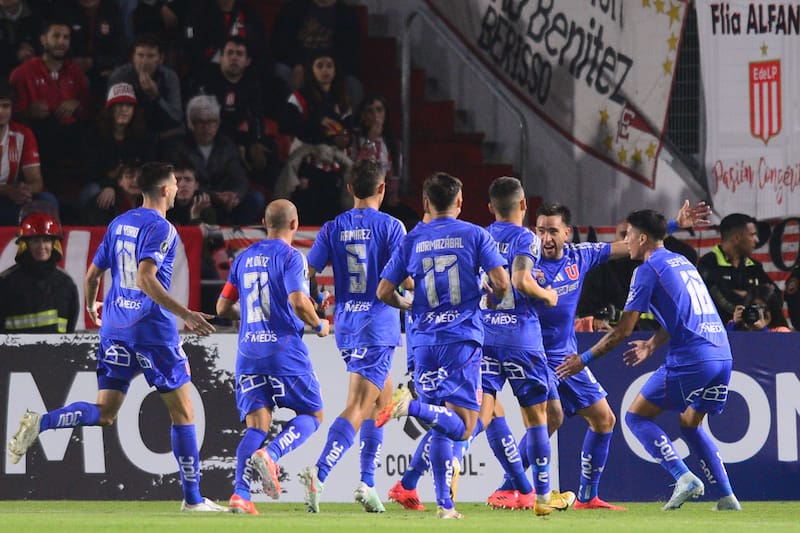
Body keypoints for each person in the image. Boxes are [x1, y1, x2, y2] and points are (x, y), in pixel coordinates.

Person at [6, 161, 226, 512]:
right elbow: (145, 278)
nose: (176, 188)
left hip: (115, 330)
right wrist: (185, 314)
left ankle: (42, 422)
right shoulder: (162, 228)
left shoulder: (119, 222)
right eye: (174, 183)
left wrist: (94, 304)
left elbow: (93, 273)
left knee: (105, 412)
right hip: (152, 332)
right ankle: (193, 500)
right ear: (166, 189)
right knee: (183, 413)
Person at [489, 200, 710, 511]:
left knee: (604, 419)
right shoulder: (525, 262)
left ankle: (586, 497)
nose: (546, 239)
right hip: (534, 355)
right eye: (540, 231)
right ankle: (508, 489)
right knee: (551, 418)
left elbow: (627, 245)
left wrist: (672, 224)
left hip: (566, 356)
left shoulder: (581, 255)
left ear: (567, 233)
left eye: (553, 231)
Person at [556, 209, 741, 512]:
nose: (624, 239)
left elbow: (623, 331)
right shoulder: (681, 261)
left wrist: (584, 359)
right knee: (690, 422)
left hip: (693, 357)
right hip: (722, 354)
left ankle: (683, 477)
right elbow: (683, 313)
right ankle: (727, 496)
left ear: (642, 238)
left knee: (635, 417)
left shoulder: (646, 269)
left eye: (627, 234)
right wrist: (653, 344)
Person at [375, 171, 509, 519]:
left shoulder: (412, 239)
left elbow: (384, 291)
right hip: (460, 338)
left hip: (422, 342)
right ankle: (410, 407)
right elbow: (502, 283)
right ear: (460, 202)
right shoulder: (475, 235)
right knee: (464, 424)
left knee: (442, 424)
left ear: (425, 203)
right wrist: (490, 298)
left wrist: (410, 306)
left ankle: (445, 506)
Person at [297, 158, 406, 514]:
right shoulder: (392, 227)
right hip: (377, 326)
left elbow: (306, 272)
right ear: (382, 188)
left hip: (347, 325)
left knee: (382, 403)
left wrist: (311, 301)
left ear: (349, 190)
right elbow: (405, 279)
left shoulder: (332, 228)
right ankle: (321, 472)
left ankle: (367, 483)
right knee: (360, 405)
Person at [216, 199, 330, 515]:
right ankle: (273, 453)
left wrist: (252, 316)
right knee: (313, 415)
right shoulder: (292, 257)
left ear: (265, 223)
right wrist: (319, 324)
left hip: (248, 353)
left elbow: (222, 308)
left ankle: (240, 494)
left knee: (256, 425)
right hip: (283, 352)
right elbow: (297, 301)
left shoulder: (243, 258)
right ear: (294, 224)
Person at [477, 177, 572, 515]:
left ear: (490, 207)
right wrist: (547, 294)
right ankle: (543, 497)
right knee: (537, 418)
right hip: (521, 339)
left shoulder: (480, 235)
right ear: (523, 205)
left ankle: (448, 460)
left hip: (485, 337)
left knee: (480, 412)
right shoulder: (525, 238)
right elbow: (520, 280)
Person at [9, 18, 91, 198]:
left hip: (71, 141)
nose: (61, 42)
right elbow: (10, 114)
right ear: (43, 39)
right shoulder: (22, 73)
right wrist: (27, 113)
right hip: (37, 140)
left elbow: (89, 110)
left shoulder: (76, 72)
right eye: (56, 36)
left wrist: (77, 105)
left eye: (66, 37)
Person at [167, 94, 264, 225]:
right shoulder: (178, 146)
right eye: (200, 122)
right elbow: (181, 180)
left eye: (211, 122)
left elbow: (240, 177)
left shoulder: (227, 145)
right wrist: (215, 196)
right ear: (190, 123)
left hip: (224, 200)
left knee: (256, 198)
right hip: (195, 197)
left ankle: (233, 236)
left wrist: (234, 196)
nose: (206, 127)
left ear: (218, 123)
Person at [79, 83, 156, 215]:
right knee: (93, 192)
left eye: (129, 106)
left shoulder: (142, 137)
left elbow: (147, 168)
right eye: (119, 105)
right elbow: (90, 171)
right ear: (110, 109)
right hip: (101, 184)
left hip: (134, 184)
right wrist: (110, 185)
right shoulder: (94, 135)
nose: (124, 110)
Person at [0, 212, 78, 333]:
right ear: (25, 245)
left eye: (46, 240)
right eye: (35, 241)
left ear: (53, 244)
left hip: (56, 352)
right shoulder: (6, 282)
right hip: (15, 352)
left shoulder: (65, 283)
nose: (42, 246)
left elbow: (70, 330)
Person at [698, 213, 776, 323]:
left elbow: (774, 297)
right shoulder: (708, 263)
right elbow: (720, 301)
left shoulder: (754, 266)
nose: (757, 240)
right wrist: (754, 296)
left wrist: (746, 295)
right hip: (721, 333)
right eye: (752, 235)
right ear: (737, 238)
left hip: (754, 334)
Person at [0, 80, 58, 225]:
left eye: (5, 106)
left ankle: (50, 245)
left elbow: (37, 182)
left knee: (47, 201)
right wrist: (7, 190)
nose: (1, 111)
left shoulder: (23, 134)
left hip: (9, 200)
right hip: (7, 194)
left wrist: (24, 190)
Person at [108, 33, 183, 142]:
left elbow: (176, 118)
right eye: (140, 55)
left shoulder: (169, 77)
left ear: (160, 58)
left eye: (150, 56)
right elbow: (112, 115)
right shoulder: (120, 76)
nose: (144, 61)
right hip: (130, 131)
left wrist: (156, 97)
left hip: (160, 129)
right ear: (133, 57)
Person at [726, 284, 792, 332]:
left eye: (763, 308)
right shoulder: (736, 327)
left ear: (773, 311)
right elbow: (723, 346)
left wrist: (762, 330)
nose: (760, 314)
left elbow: (773, 349)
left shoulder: (781, 331)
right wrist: (734, 325)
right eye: (754, 308)